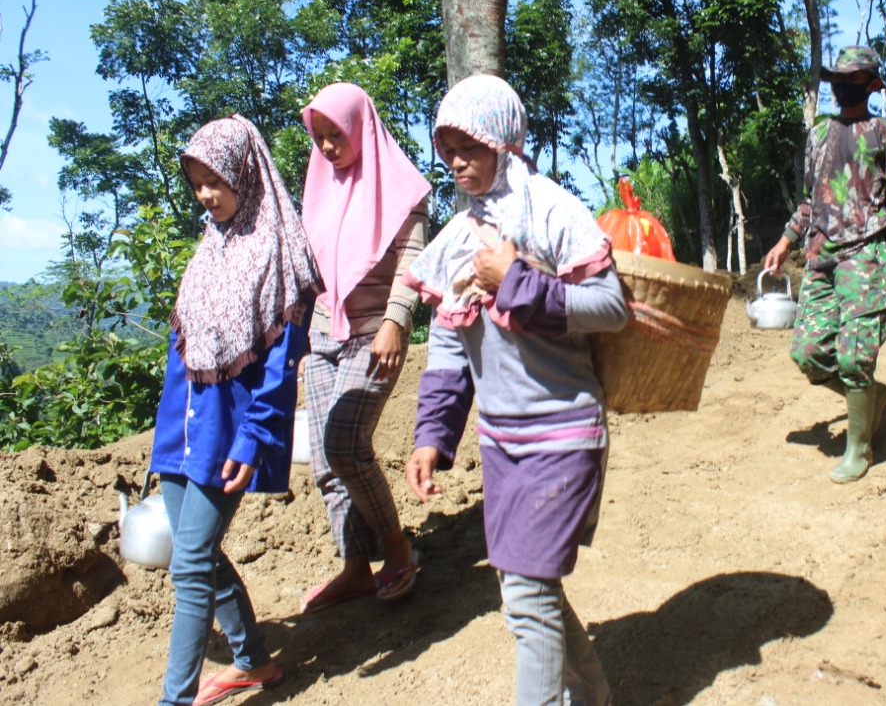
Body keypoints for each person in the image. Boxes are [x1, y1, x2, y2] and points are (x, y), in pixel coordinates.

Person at [402, 74, 627, 706]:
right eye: (445, 146)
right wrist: (431, 435)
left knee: (526, 599)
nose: (455, 160)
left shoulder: (553, 210)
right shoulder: (459, 236)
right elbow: (449, 343)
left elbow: (610, 307)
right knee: (532, 593)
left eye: (467, 144)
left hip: (562, 433)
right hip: (502, 443)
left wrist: (516, 280)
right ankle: (594, 696)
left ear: (503, 139)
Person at [150, 114, 323, 706]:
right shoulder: (211, 247)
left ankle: (173, 700)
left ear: (245, 174)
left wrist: (253, 440)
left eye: (215, 180)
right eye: (197, 183)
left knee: (190, 566)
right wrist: (168, 432)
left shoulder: (278, 253)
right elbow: (187, 349)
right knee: (195, 552)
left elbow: (279, 369)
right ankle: (251, 660)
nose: (206, 194)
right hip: (183, 424)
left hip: (228, 433)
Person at [763, 45, 886, 484]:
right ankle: (872, 397)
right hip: (820, 258)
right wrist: (786, 241)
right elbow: (810, 201)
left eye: (853, 78)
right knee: (807, 353)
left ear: (869, 85)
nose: (843, 85)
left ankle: (859, 446)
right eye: (838, 78)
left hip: (866, 253)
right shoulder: (819, 135)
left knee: (854, 355)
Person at [299, 83, 432, 612]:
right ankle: (354, 566)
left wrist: (397, 321)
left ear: (361, 126)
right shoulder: (318, 187)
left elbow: (412, 258)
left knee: (346, 444)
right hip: (321, 335)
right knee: (324, 464)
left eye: (337, 134)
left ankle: (398, 548)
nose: (328, 147)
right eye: (320, 137)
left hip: (374, 334)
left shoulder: (402, 186)